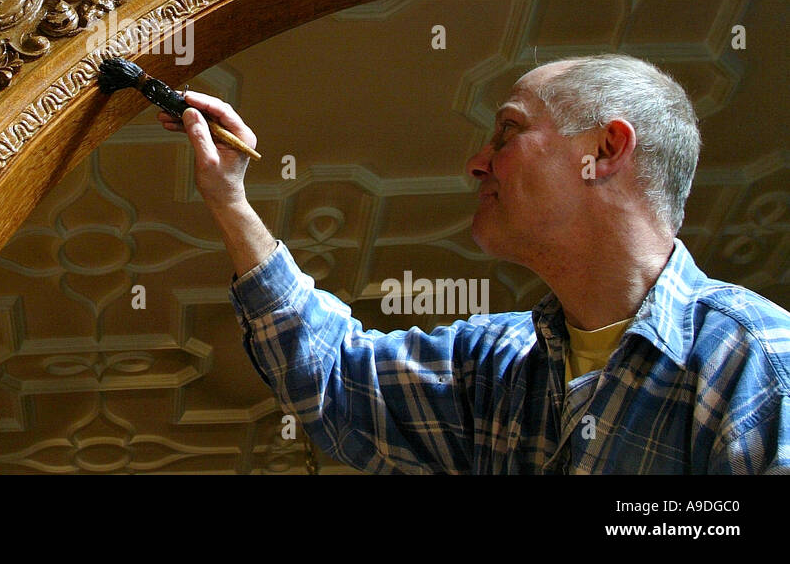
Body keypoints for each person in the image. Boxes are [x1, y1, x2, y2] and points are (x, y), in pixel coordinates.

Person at [159, 53, 790, 473]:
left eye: (508, 132)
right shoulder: (497, 365)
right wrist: (230, 200)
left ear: (605, 147)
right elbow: (329, 378)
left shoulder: (759, 355)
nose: (477, 162)